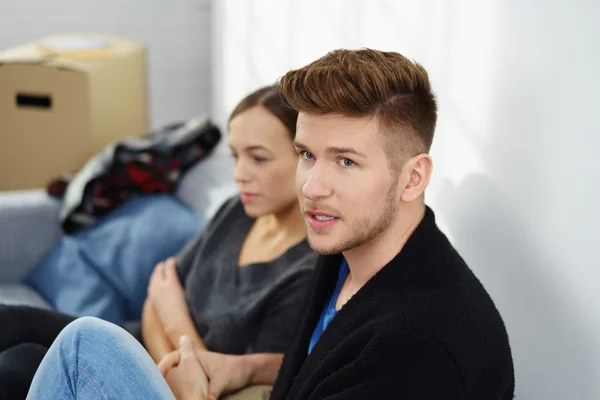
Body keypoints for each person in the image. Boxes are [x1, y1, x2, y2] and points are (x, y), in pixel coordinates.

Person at [25, 48, 515, 399]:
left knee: (84, 349)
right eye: (306, 154)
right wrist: (243, 368)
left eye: (345, 161)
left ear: (413, 178)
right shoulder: (349, 255)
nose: (312, 186)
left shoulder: (416, 346)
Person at [0, 85, 317, 400]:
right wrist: (171, 342)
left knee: (17, 367)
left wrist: (175, 314)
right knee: (15, 329)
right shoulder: (236, 211)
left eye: (258, 159)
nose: (240, 174)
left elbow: (217, 376)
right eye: (235, 156)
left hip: (163, 387)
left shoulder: (306, 269)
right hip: (141, 345)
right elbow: (156, 298)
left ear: (305, 158)